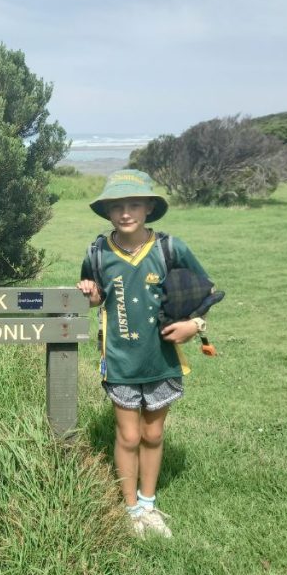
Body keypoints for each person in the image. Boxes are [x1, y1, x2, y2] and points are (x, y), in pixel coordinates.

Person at [77, 169, 214, 538]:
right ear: (107, 211)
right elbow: (94, 298)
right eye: (117, 205)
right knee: (128, 436)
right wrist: (89, 295)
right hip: (120, 361)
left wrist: (194, 326)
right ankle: (129, 510)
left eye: (134, 203)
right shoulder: (98, 252)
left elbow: (205, 291)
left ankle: (149, 506)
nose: (125, 212)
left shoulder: (172, 249)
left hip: (162, 360)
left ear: (149, 207)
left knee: (153, 434)